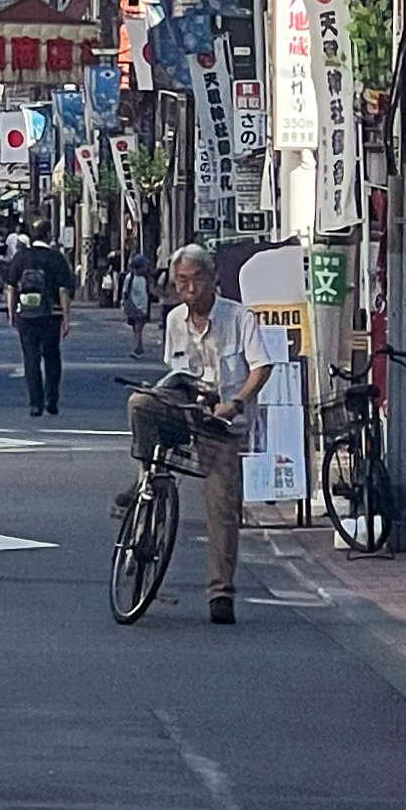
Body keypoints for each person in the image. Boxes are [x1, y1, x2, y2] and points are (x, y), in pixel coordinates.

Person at [122, 243, 272, 624]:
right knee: (140, 403)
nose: (189, 288)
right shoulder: (174, 320)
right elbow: (175, 370)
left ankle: (221, 592)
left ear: (213, 279)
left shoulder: (238, 317)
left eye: (196, 279)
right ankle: (146, 477)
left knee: (222, 507)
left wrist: (236, 402)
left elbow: (261, 367)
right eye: (181, 281)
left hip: (222, 419)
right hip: (185, 404)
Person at [4, 219, 74, 418]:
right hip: (51, 314)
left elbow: (10, 287)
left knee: (31, 359)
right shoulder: (56, 258)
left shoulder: (20, 257)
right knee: (52, 357)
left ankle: (35, 403)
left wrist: (11, 313)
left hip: (26, 314)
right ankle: (52, 400)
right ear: (48, 234)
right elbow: (63, 290)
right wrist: (66, 318)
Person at [121, 249, 155, 357]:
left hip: (143, 306)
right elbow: (125, 292)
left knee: (138, 328)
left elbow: (150, 290)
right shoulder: (130, 277)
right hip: (134, 306)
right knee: (137, 328)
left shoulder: (145, 278)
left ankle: (138, 348)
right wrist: (125, 305)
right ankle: (137, 349)